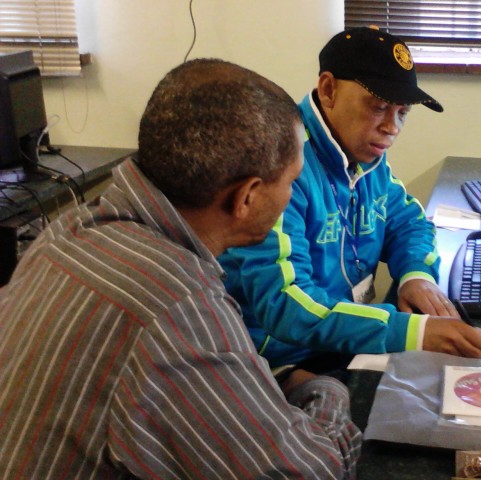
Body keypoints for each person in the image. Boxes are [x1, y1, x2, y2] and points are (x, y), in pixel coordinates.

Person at [0, 59, 360, 479]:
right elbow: (308, 472)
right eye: (292, 181)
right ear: (246, 196)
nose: (293, 194)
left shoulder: (67, 231)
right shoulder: (177, 306)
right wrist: (326, 389)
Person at [219, 27, 481, 370]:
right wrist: (412, 331)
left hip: (346, 341)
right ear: (328, 89)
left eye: (402, 113)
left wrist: (416, 275)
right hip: (279, 360)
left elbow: (408, 221)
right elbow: (286, 305)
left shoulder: (366, 155)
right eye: (379, 107)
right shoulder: (280, 164)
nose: (392, 127)